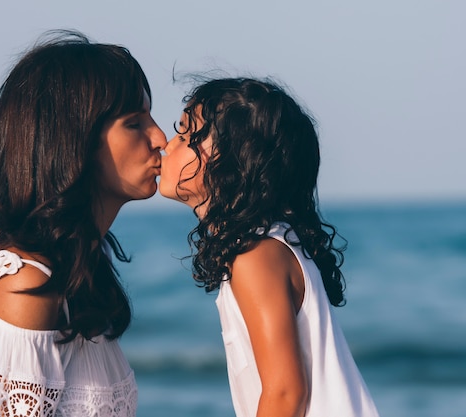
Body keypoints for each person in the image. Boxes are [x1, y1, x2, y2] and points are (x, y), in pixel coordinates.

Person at [0, 30, 167, 417]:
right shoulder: (23, 285)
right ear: (73, 141)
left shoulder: (74, 272)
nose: (160, 137)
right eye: (135, 122)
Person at [159, 77, 380, 417]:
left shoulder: (256, 255)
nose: (168, 144)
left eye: (187, 134)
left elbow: (285, 393)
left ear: (232, 163)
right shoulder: (266, 246)